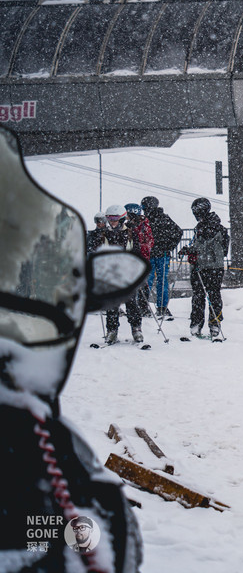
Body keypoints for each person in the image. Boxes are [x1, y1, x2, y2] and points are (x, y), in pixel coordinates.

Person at [0, 123, 146, 572]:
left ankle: (131, 331)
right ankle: (119, 329)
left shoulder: (132, 229)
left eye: (116, 218)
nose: (114, 221)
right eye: (112, 218)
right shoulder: (103, 232)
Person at [179, 197, 229, 340]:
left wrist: (193, 251)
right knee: (202, 296)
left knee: (208, 295)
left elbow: (206, 244)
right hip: (206, 266)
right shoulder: (204, 227)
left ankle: (210, 324)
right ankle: (203, 324)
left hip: (210, 267)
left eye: (196, 212)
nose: (195, 215)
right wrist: (190, 250)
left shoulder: (213, 228)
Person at [101, 204, 146, 345]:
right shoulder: (105, 234)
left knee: (131, 302)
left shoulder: (130, 233)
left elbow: (137, 252)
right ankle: (112, 330)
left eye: (114, 219)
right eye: (109, 219)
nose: (112, 222)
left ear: (121, 219)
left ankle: (136, 328)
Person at [142, 195, 183, 320]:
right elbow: (178, 232)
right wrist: (169, 246)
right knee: (162, 281)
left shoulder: (146, 220)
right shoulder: (164, 218)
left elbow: (178, 232)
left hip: (152, 255)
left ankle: (144, 307)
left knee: (148, 281)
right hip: (162, 255)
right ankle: (162, 307)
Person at [124, 203, 155, 319]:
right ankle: (132, 307)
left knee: (143, 283)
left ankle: (143, 307)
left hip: (141, 258)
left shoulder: (143, 225)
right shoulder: (127, 226)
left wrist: (140, 247)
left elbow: (149, 242)